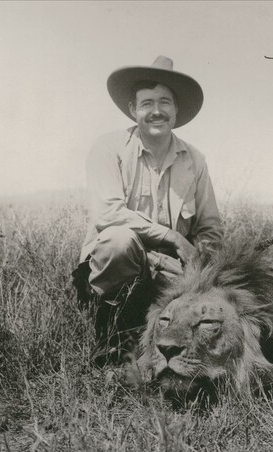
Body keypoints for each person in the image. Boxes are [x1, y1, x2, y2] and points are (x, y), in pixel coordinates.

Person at [73, 55, 223, 365]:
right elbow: (109, 215)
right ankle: (111, 340)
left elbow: (210, 228)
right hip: (118, 264)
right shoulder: (108, 148)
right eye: (147, 103)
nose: (157, 111)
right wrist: (172, 236)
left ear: (176, 109)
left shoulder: (195, 160)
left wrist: (199, 264)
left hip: (170, 270)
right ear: (133, 109)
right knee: (119, 242)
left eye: (165, 103)